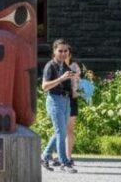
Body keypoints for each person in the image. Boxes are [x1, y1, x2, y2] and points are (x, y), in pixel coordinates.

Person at [41, 39, 77, 173]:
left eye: (65, 51)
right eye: (60, 51)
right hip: (54, 100)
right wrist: (61, 78)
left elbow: (71, 88)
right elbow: (44, 87)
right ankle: (64, 163)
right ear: (54, 51)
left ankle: (45, 156)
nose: (63, 53)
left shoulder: (66, 66)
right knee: (61, 132)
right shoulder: (50, 66)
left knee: (60, 132)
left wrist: (75, 82)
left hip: (66, 101)